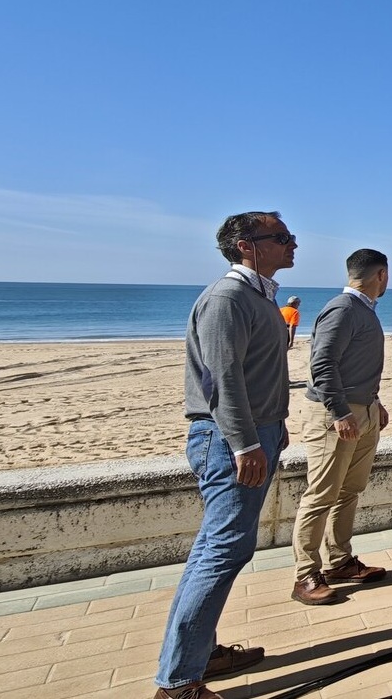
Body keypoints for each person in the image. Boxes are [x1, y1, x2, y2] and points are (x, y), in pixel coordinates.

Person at [154, 212, 296, 699]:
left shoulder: (258, 297)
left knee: (217, 550)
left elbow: (257, 371)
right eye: (281, 238)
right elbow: (222, 381)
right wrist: (246, 443)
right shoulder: (227, 298)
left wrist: (275, 427)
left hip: (258, 432)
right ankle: (178, 683)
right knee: (222, 551)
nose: (291, 244)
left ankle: (199, 653)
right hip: (231, 440)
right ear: (245, 246)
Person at [291, 249, 392, 605]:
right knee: (321, 495)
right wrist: (339, 412)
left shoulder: (363, 310)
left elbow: (355, 365)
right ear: (381, 275)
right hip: (335, 416)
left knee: (349, 490)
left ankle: (339, 561)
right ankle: (305, 576)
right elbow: (323, 365)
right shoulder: (343, 309)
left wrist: (374, 403)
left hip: (362, 411)